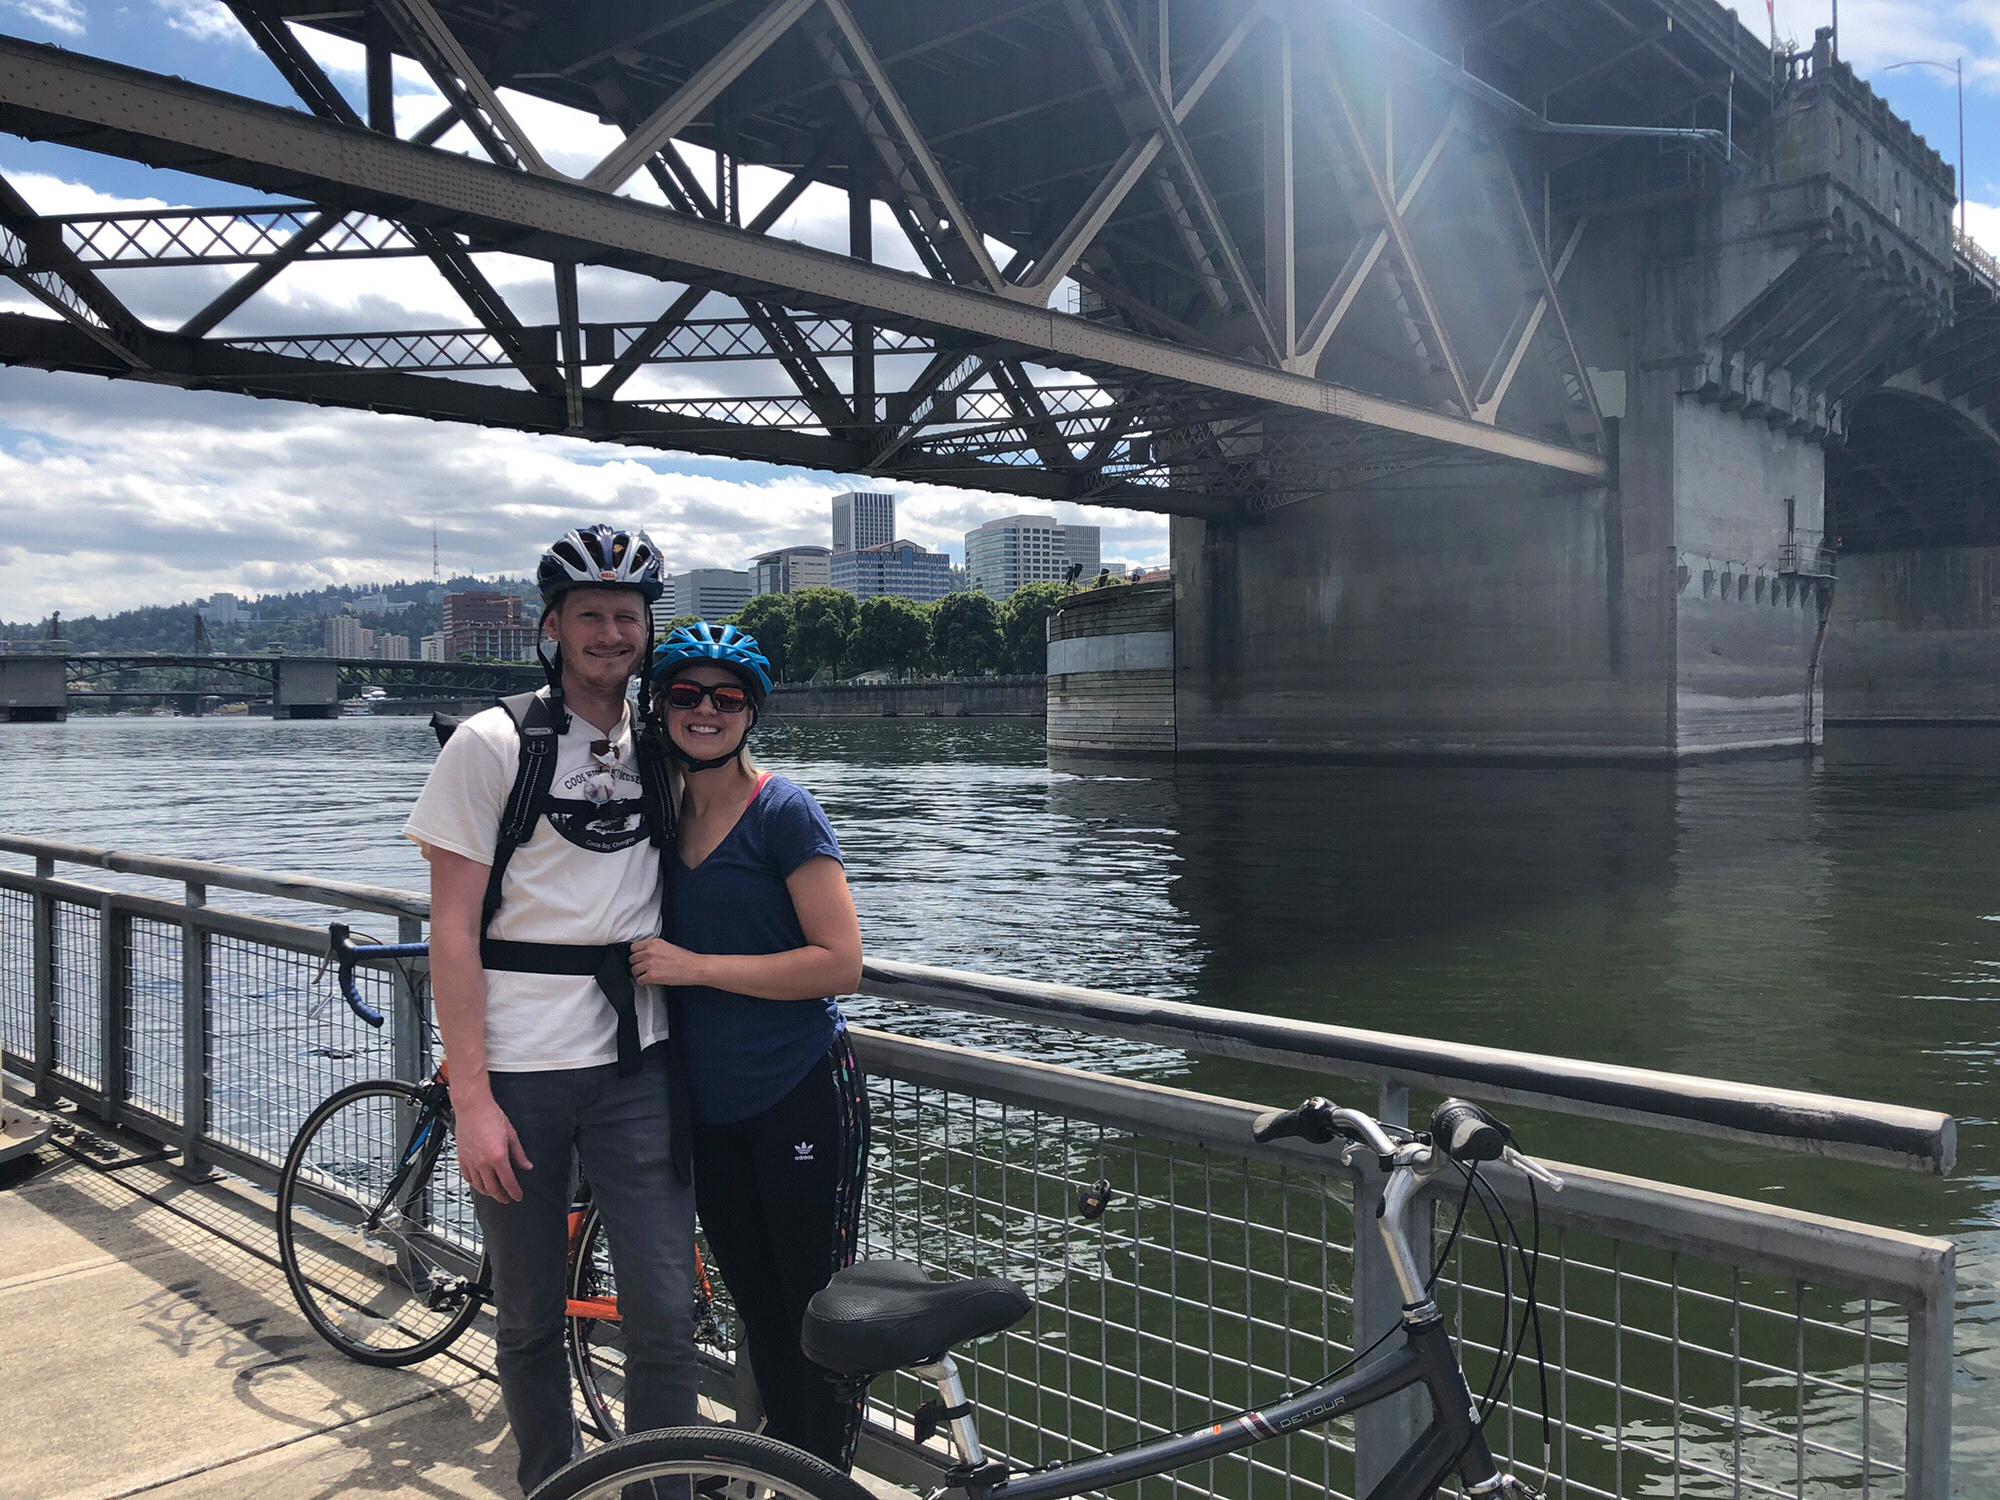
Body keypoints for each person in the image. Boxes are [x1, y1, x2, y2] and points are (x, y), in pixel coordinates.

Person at [403, 524, 698, 1496]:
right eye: (590, 615)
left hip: (640, 1065)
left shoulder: (667, 743)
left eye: (627, 616)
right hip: (520, 1074)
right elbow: (453, 931)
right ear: (553, 627)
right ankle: (551, 1485)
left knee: (663, 1315)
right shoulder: (493, 744)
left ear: (649, 629)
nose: (611, 633)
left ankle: (664, 1489)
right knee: (530, 1318)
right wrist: (472, 1097)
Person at [629, 622, 870, 1471]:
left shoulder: (783, 810)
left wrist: (694, 967)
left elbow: (841, 962)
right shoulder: (656, 818)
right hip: (710, 1109)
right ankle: (788, 1473)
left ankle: (824, 1480)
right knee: (759, 1313)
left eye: (727, 697)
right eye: (686, 694)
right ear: (660, 708)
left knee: (817, 1316)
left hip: (797, 1090)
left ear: (751, 713)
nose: (706, 710)